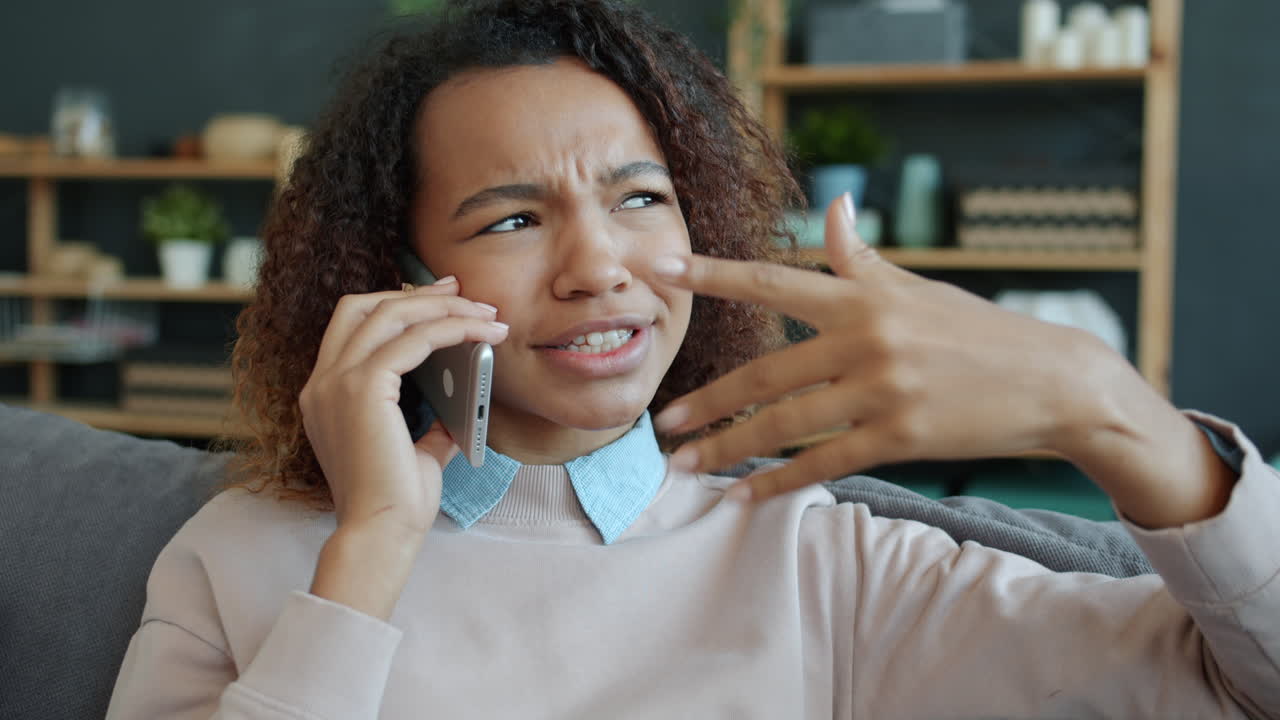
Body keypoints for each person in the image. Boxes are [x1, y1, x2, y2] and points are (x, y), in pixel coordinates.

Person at [107, 1, 1280, 717]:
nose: (597, 265)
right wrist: (367, 551)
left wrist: (1105, 406)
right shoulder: (237, 557)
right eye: (511, 220)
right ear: (397, 280)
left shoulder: (815, 563)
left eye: (638, 198)